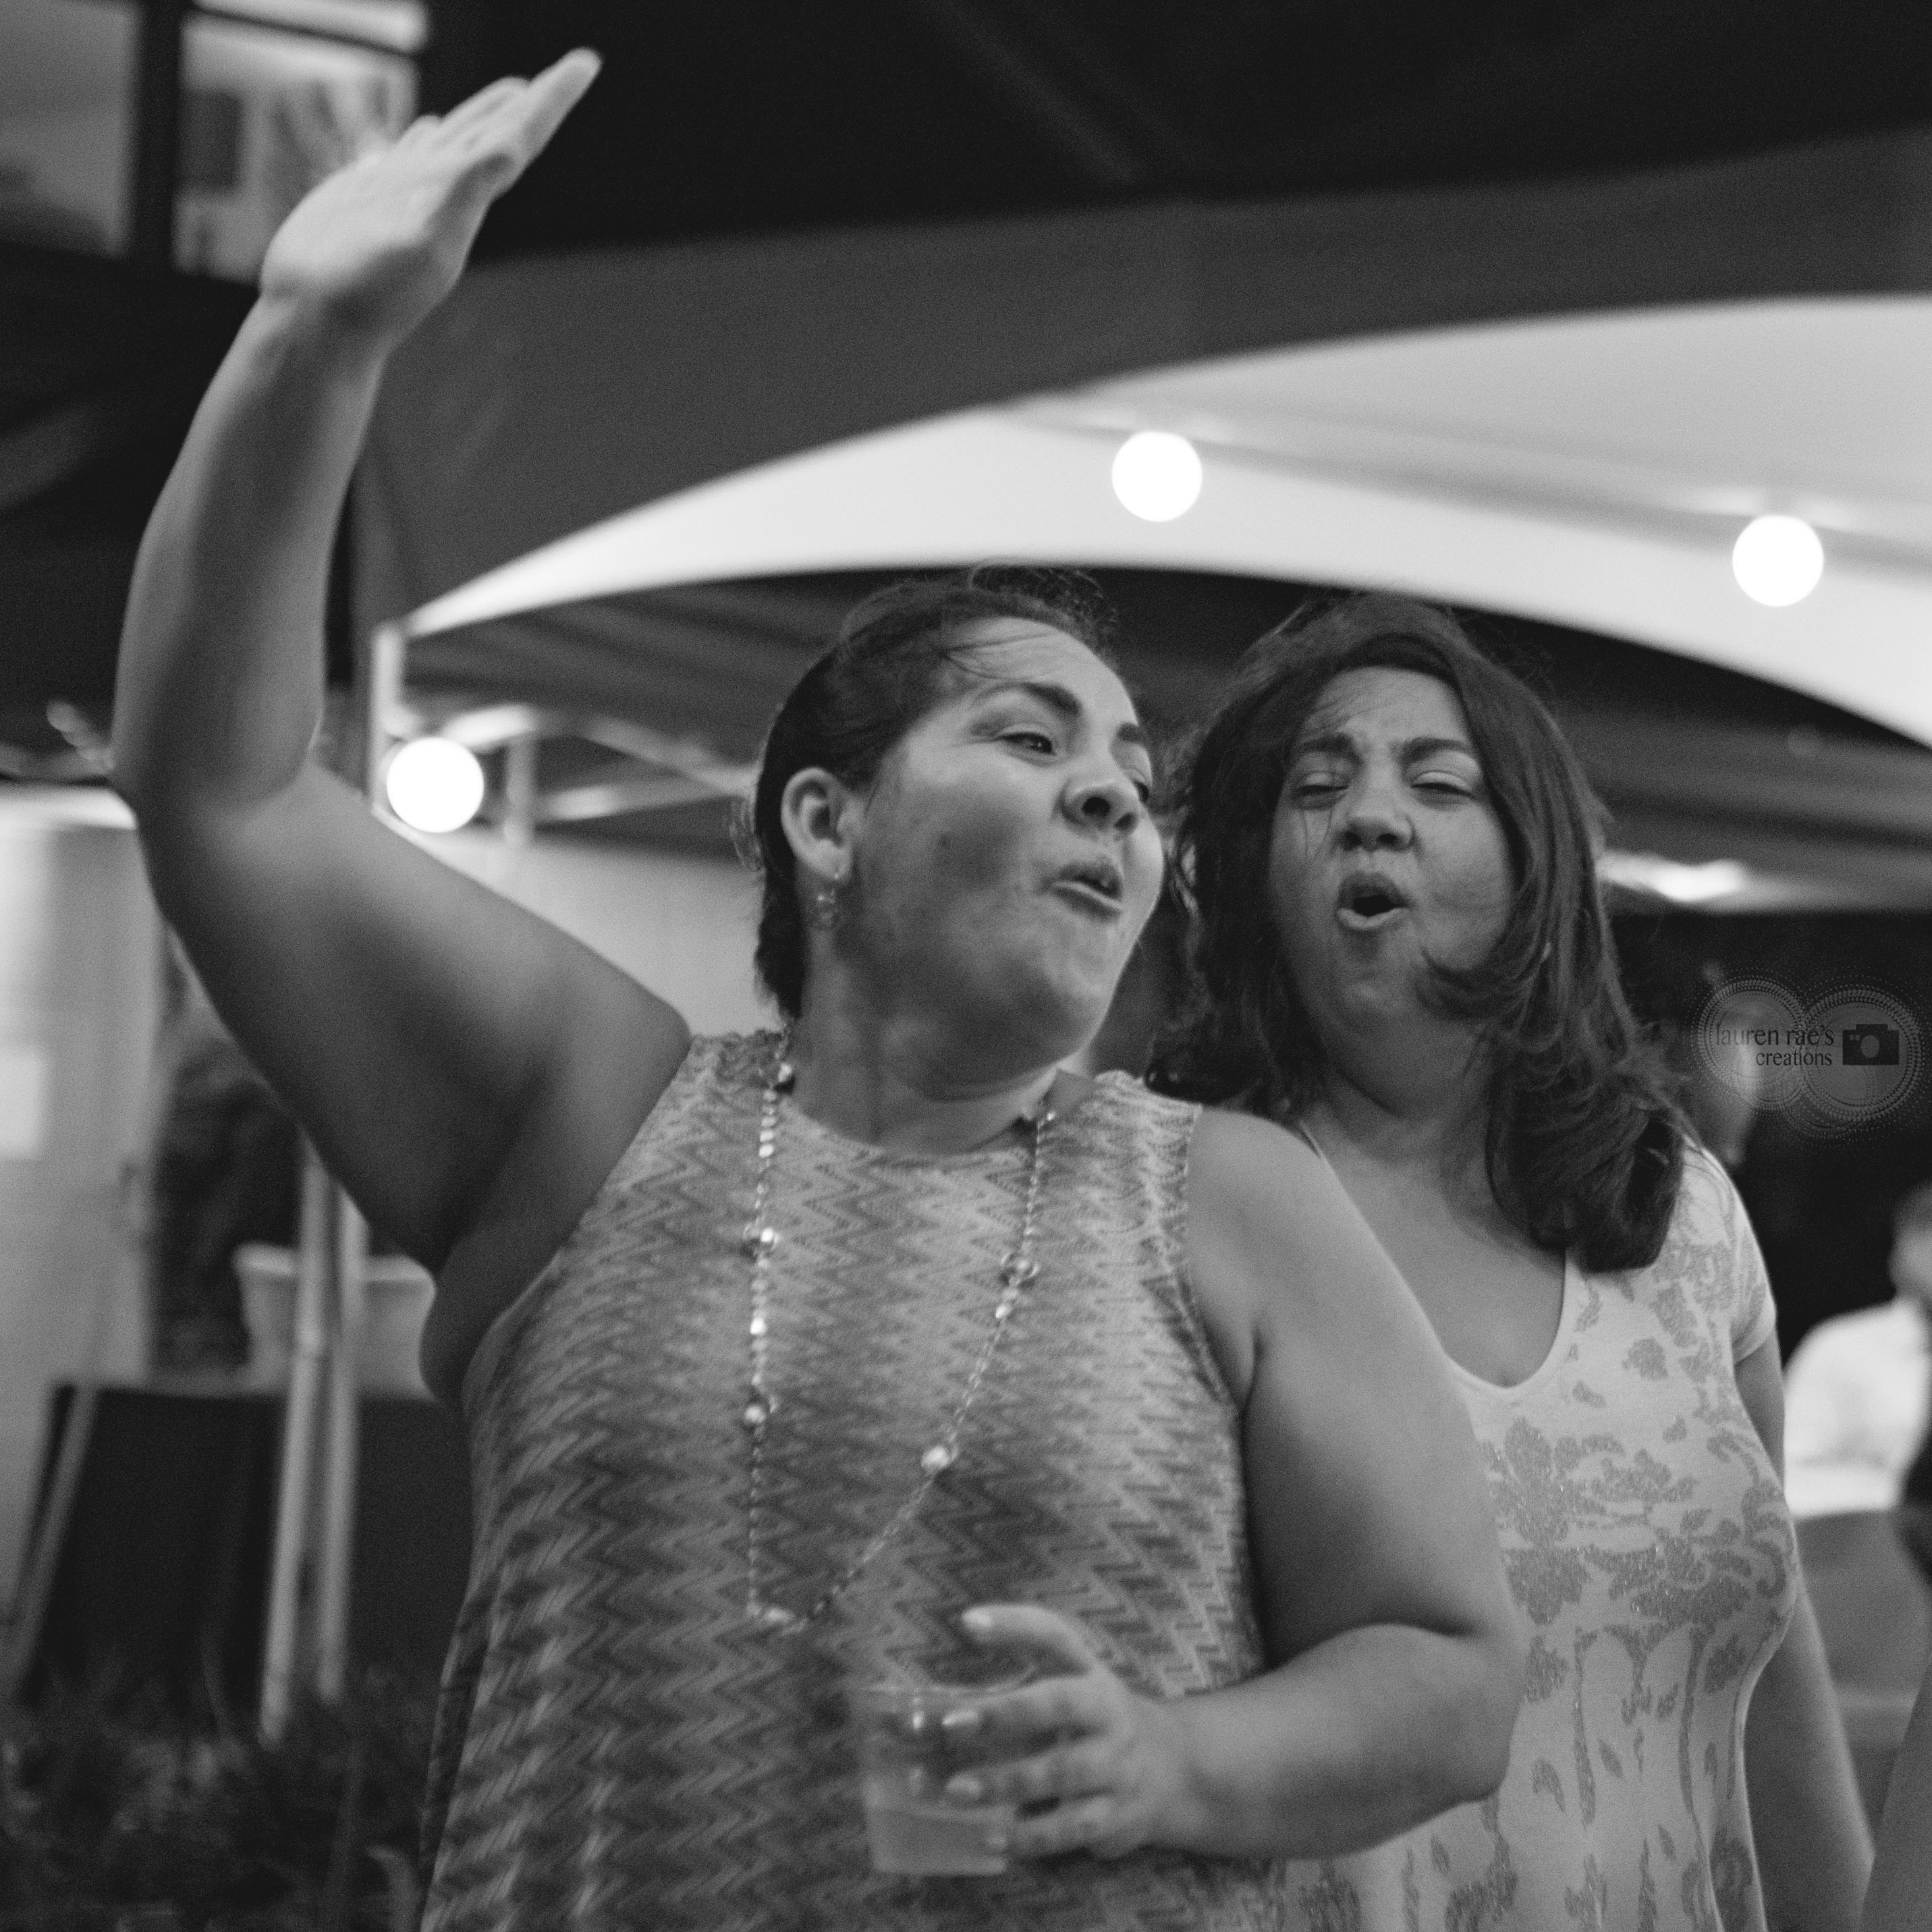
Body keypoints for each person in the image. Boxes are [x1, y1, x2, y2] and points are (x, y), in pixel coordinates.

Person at [109, 57, 1525, 1929]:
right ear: (825, 821)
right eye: (1030, 738)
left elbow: (1449, 1665)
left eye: (1132, 771)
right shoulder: (596, 1118)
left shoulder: (1222, 1199)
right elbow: (217, 785)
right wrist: (311, 340)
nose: (1115, 795)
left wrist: (1166, 1758)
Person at [1154, 593, 1874, 1932]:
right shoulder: (1168, 1202)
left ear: (1537, 868)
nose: (1370, 815)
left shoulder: (1679, 1212)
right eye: (1316, 788)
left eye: (1438, 783)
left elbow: (1772, 1660)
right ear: (1250, 882)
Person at [1782, 1180, 1932, 1524]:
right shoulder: (1842, 1347)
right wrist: (1904, 1500)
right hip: (1873, 1545)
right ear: (1903, 1249)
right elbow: (1790, 1476)